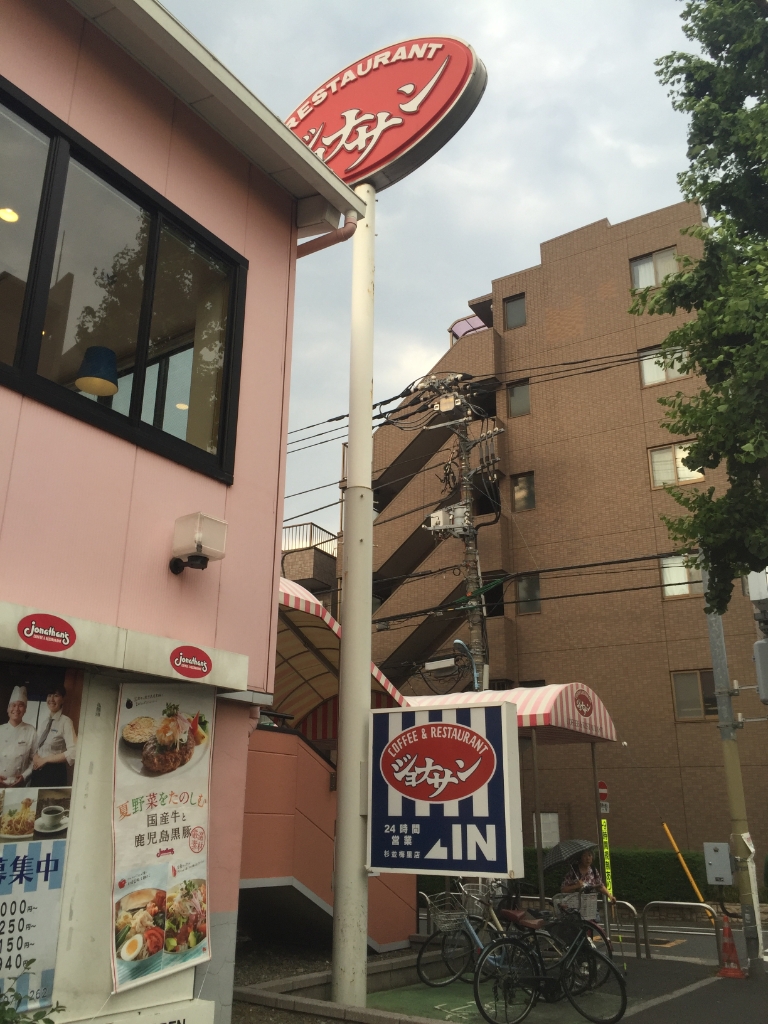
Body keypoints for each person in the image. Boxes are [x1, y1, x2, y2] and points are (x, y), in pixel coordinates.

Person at [30, 684, 77, 787]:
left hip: (54, 773)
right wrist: (36, 757)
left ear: (63, 700)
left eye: (56, 695)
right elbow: (36, 746)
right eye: (49, 695)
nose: (51, 699)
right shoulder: (44, 722)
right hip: (37, 770)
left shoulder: (66, 722)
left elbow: (74, 751)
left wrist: (46, 759)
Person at [0, 686, 37, 787]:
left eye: (21, 705)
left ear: (25, 709)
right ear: (8, 709)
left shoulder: (31, 731)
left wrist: (24, 776)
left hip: (19, 785)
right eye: (13, 705)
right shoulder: (0, 730)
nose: (16, 709)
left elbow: (34, 760)